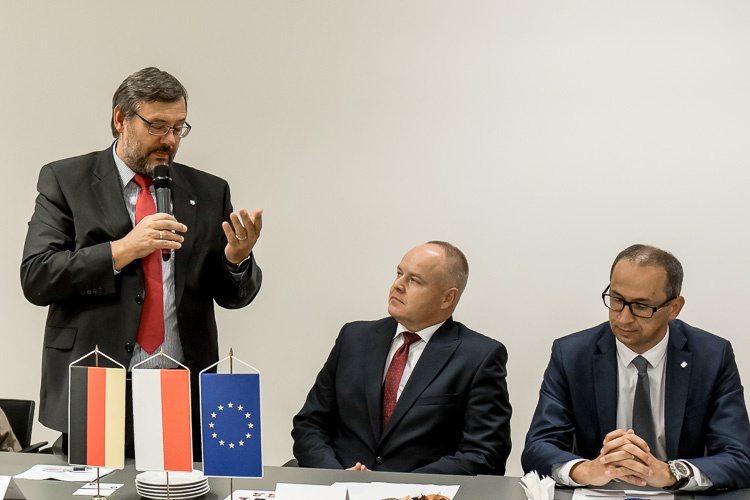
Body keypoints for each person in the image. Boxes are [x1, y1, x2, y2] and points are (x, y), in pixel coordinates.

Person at [20, 67, 263, 458]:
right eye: (157, 126)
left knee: (179, 485)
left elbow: (232, 296)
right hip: (98, 383)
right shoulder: (67, 180)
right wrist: (123, 250)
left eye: (179, 128)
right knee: (98, 485)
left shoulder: (209, 190)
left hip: (180, 385)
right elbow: (38, 276)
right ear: (120, 119)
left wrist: (236, 260)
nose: (169, 140)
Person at [522, 244, 750, 492]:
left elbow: (739, 457)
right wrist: (587, 470)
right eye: (617, 300)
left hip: (678, 493)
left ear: (674, 308)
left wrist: (671, 472)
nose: (623, 318)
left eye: (641, 306)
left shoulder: (712, 357)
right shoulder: (572, 355)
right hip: (599, 492)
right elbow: (538, 448)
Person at [292, 241, 512, 475]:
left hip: (419, 490)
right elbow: (310, 424)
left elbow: (485, 454)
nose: (397, 285)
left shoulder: (479, 357)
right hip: (338, 484)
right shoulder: (353, 338)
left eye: (414, 280)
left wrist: (397, 488)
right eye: (399, 273)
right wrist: (336, 477)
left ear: (447, 298)